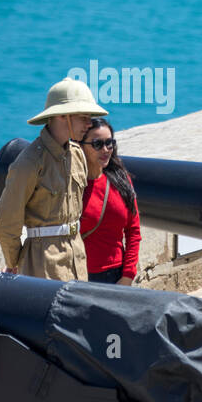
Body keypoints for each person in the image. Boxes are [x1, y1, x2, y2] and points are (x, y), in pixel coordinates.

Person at [0, 79, 108, 281]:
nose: (90, 124)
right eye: (84, 117)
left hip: (77, 259)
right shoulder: (30, 162)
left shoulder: (77, 155)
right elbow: (6, 224)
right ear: (63, 116)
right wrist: (15, 263)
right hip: (43, 265)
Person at [79, 118, 141, 285]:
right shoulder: (73, 186)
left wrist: (128, 275)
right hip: (82, 275)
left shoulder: (122, 181)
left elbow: (133, 230)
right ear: (81, 146)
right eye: (97, 144)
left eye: (109, 143)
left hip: (117, 275)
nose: (105, 149)